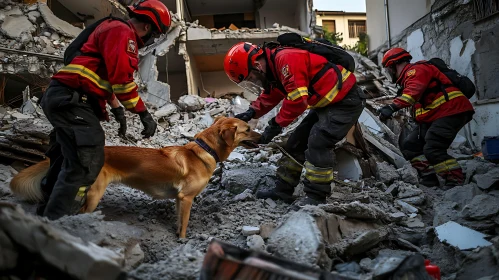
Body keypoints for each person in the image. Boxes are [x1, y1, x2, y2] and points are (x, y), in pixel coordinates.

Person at [38, 0, 171, 219]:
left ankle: (47, 210)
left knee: (68, 157)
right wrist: (143, 114)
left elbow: (103, 79)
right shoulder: (123, 32)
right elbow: (122, 80)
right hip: (73, 101)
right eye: (154, 34)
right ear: (148, 27)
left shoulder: (112, 30)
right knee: (86, 162)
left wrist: (118, 111)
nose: (150, 39)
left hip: (67, 98)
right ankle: (59, 221)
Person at [224, 41, 366, 209]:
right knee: (295, 143)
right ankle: (282, 190)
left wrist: (274, 126)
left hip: (346, 101)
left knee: (318, 142)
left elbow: (297, 101)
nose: (254, 81)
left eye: (251, 77)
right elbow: (273, 93)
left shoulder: (286, 60)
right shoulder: (274, 67)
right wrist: (251, 112)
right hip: (327, 103)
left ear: (256, 65)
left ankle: (316, 196)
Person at [377, 47, 474, 187]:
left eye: (389, 69)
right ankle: (429, 179)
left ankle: (455, 181)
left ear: (394, 64)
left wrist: (392, 107)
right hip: (434, 116)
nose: (389, 73)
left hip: (451, 110)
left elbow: (412, 94)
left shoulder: (416, 70)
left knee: (433, 148)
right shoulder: (407, 80)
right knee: (410, 146)